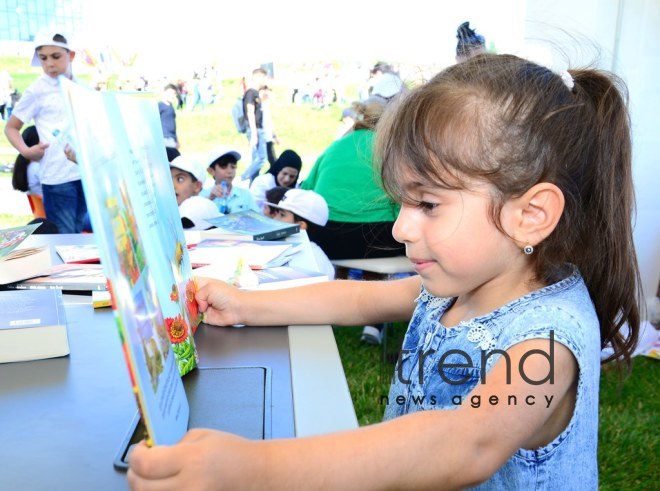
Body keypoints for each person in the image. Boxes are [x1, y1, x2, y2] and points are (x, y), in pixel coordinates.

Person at [128, 53, 641, 489]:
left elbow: (467, 442)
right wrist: (245, 304)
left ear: (529, 216)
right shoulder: (455, 287)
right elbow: (356, 300)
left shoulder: (547, 342)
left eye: (428, 204)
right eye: (401, 203)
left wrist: (253, 468)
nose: (400, 229)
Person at [301, 96, 404, 260]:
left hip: (326, 237)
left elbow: (306, 189)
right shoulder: (389, 148)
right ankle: (373, 281)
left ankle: (343, 278)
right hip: (377, 239)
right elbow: (402, 198)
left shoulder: (334, 147)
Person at [4, 31, 87, 234]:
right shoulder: (37, 90)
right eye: (43, 58)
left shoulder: (83, 89)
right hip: (56, 177)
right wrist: (26, 151)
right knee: (66, 239)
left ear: (71, 56)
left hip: (84, 173)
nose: (49, 63)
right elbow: (11, 127)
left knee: (84, 239)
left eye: (56, 56)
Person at [267, 188, 335, 280]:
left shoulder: (310, 263)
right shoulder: (294, 250)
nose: (275, 219)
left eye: (282, 215)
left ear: (300, 227)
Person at [203, 145, 259, 214]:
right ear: (211, 171)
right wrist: (210, 199)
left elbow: (258, 220)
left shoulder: (245, 195)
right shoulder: (203, 195)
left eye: (233, 166)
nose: (230, 171)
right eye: (223, 166)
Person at [170, 155, 220, 230]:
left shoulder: (198, 206)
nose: (172, 185)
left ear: (197, 186)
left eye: (180, 179)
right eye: (169, 179)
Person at [240, 68, 269, 182]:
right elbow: (250, 112)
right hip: (255, 128)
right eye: (264, 78)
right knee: (261, 158)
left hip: (258, 128)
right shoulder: (251, 93)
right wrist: (254, 133)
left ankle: (253, 184)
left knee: (256, 159)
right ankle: (243, 178)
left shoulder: (257, 93)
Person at [11, 126, 45, 219]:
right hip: (53, 217)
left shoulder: (27, 165)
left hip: (40, 215)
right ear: (37, 143)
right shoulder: (37, 168)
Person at [260, 86, 279, 165]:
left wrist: (274, 136)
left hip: (268, 135)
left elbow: (269, 124)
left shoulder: (265, 108)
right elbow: (267, 124)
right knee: (270, 157)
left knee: (271, 157)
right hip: (265, 136)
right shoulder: (263, 108)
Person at [159, 83, 180, 149]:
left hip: (172, 138)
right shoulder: (160, 106)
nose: (172, 96)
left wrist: (177, 140)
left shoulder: (171, 107)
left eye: (174, 94)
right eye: (170, 93)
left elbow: (173, 125)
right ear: (165, 93)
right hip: (165, 139)